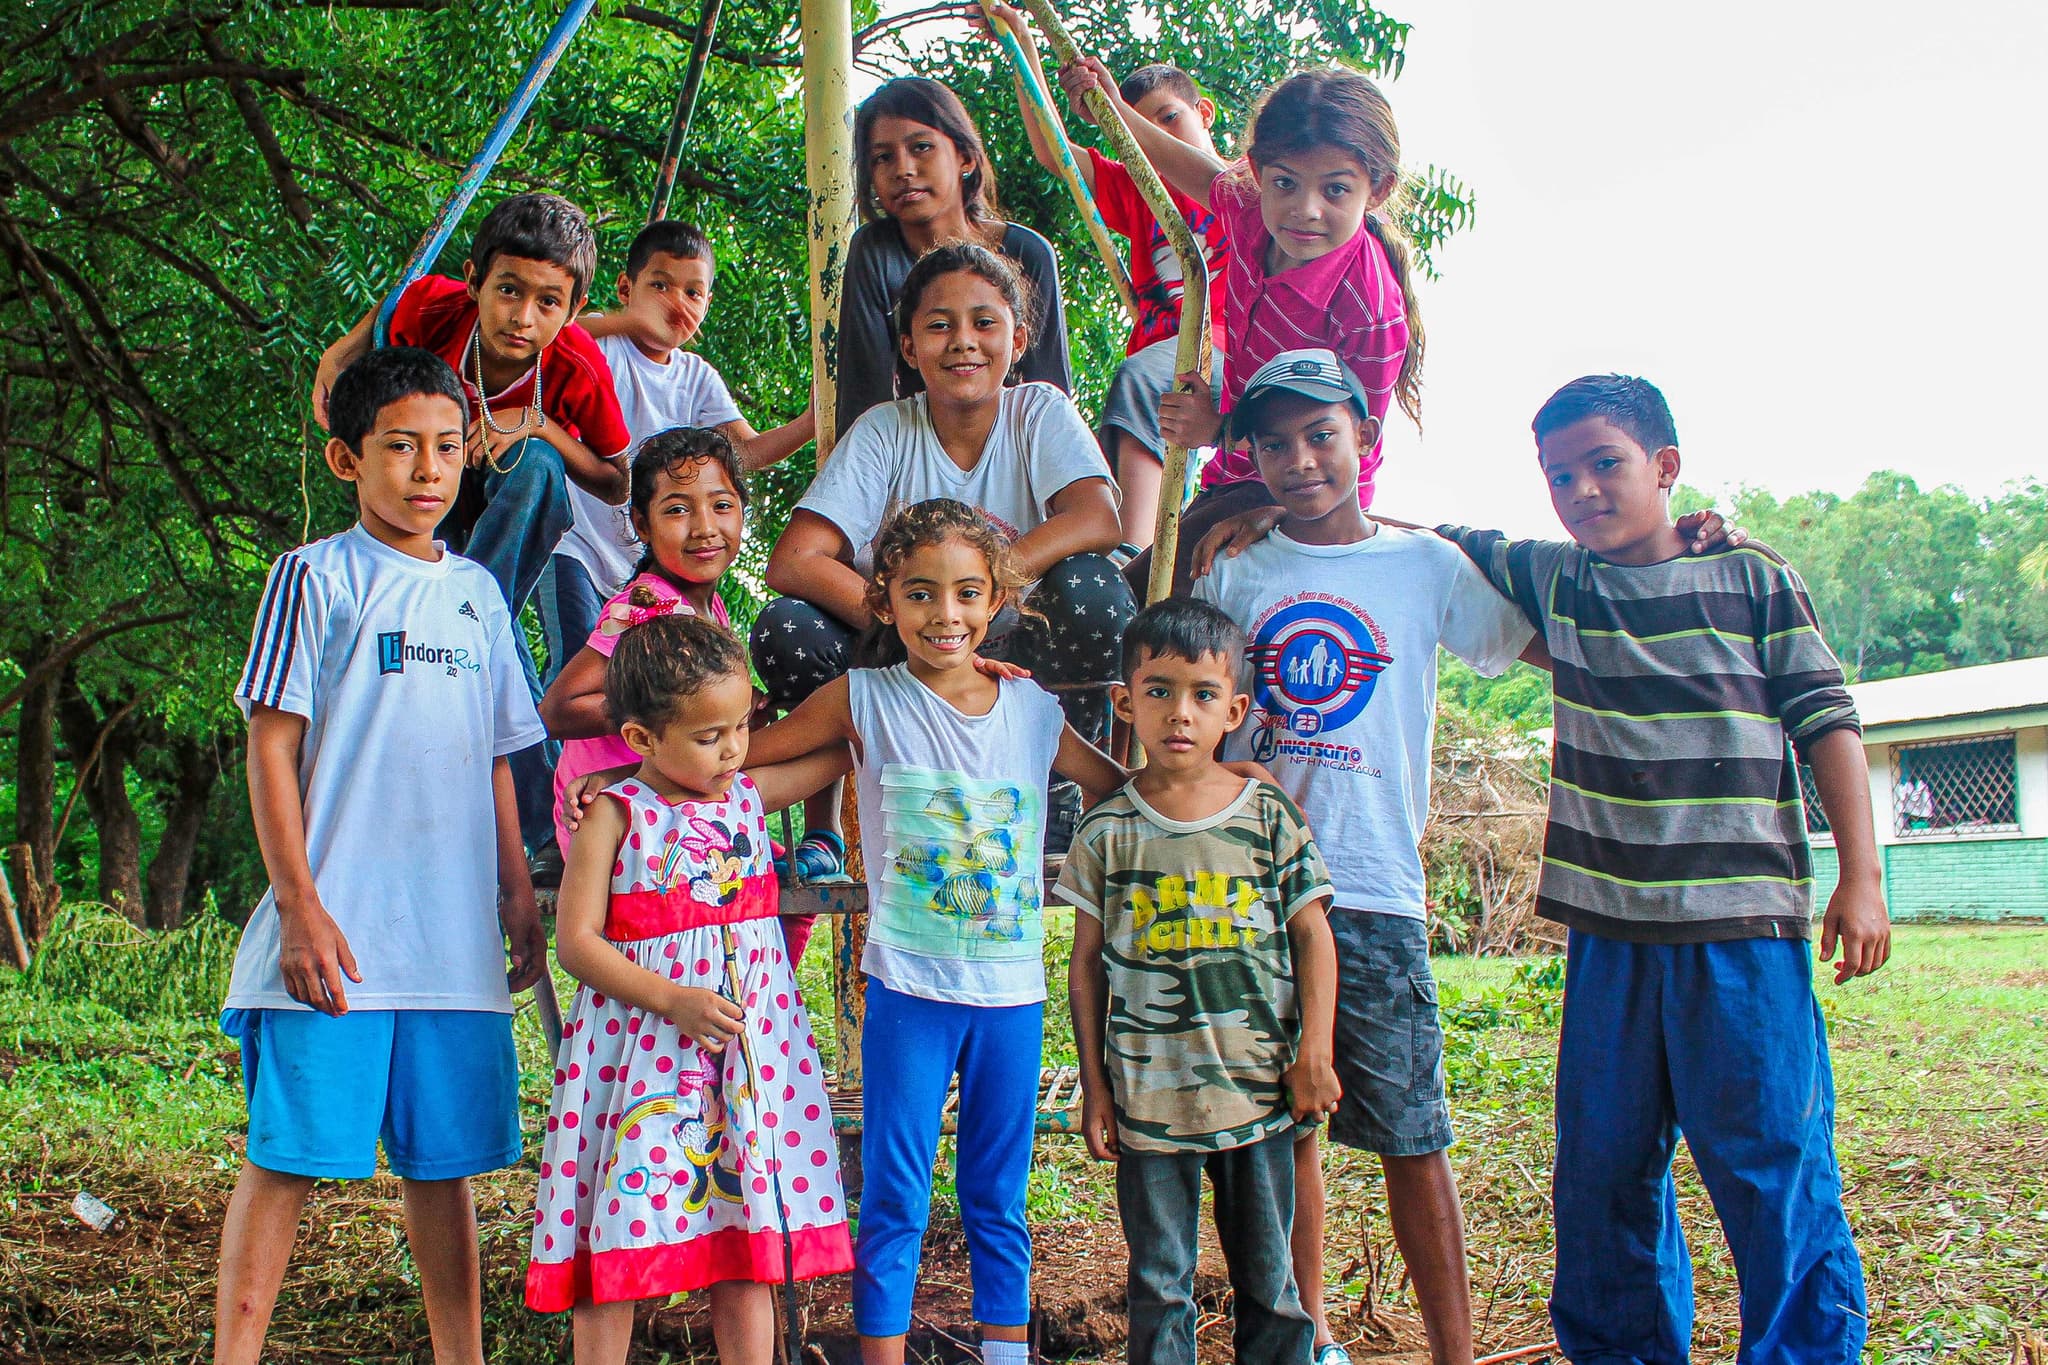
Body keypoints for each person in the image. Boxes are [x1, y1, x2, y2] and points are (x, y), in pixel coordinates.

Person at [1434, 373, 1892, 1362]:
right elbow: (1415, 536)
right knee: (1600, 1172)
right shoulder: (1560, 581)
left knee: (1770, 1163)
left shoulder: (1749, 578)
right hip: (1608, 941)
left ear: (1665, 467)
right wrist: (1256, 489)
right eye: (1558, 475)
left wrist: (1861, 875)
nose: (1582, 490)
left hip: (1740, 939)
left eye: (1605, 464)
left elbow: (1826, 723)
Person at [1192, 350, 1542, 1365]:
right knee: (1282, 1131)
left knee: (1408, 1133)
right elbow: (1184, 697)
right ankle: (1305, 1336)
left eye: (1320, 436)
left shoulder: (1425, 566)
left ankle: (1452, 1350)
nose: (1298, 460)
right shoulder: (1237, 573)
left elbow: (1538, 642)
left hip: (1374, 891)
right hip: (1251, 892)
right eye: (1274, 442)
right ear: (1251, 455)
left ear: (1364, 440)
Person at [215, 347, 547, 1365]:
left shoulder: (480, 597)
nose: (427, 471)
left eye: (447, 448)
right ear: (346, 458)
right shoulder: (312, 577)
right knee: (287, 1159)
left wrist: (516, 893)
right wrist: (301, 907)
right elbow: (269, 747)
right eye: (400, 447)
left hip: (449, 949)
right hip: (334, 941)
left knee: (442, 1172)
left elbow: (497, 758)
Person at [744, 499, 1128, 1365]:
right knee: (894, 1197)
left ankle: (1003, 1355)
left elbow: (1114, 786)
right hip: (909, 996)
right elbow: (747, 759)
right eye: (920, 594)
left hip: (1011, 1000)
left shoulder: (1033, 712)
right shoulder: (863, 698)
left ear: (997, 598)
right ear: (884, 600)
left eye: (965, 594)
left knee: (997, 1196)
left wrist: (1217, 789)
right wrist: (633, 779)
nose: (944, 615)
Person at [524, 613, 855, 1364]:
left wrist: (927, 682)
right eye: (710, 736)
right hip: (643, 1062)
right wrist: (671, 999)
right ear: (641, 739)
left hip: (744, 1062)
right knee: (623, 1227)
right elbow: (576, 943)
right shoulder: (617, 813)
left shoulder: (745, 796)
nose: (735, 748)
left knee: (744, 1244)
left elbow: (845, 743)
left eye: (740, 726)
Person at [752, 243, 1134, 854]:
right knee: (788, 628)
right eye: (938, 325)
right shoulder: (885, 428)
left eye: (985, 322)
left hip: (1016, 640)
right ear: (909, 347)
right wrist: (913, 621)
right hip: (903, 646)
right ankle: (825, 829)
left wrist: (982, 593)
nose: (963, 341)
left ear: (1019, 336)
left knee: (1094, 593)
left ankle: (1064, 785)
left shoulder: (1037, 411)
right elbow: (794, 559)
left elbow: (1097, 517)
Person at [1053, 597, 1341, 1365]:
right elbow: (1086, 963)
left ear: (1235, 710)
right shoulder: (1107, 828)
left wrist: (1316, 1051)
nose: (1180, 713)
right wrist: (1096, 1084)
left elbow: (1313, 933)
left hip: (1260, 1093)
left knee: (1271, 1284)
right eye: (1158, 690)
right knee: (1159, 1286)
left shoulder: (1269, 815)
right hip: (1150, 1104)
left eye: (1203, 694)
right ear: (1125, 701)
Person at [310, 190, 632, 856]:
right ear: (474, 281)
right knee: (496, 629)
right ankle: (539, 828)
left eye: (549, 302)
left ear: (574, 311)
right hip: (430, 502)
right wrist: (340, 352)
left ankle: (466, 617)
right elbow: (391, 308)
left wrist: (539, 424)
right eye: (508, 291)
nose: (522, 317)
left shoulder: (574, 363)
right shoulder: (436, 310)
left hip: (508, 513)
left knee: (540, 466)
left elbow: (615, 477)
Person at [1058, 64, 1422, 596]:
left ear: (1378, 189)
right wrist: (1109, 106)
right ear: (1255, 172)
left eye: (1336, 190)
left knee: (1119, 614)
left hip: (1299, 502)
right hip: (1231, 480)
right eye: (1285, 183)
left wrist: (1248, 466)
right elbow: (1178, 164)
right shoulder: (1249, 210)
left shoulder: (1367, 308)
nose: (1305, 210)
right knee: (1118, 605)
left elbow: (1349, 453)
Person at [975, 7, 1231, 549]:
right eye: (1138, 130)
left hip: (1225, 351)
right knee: (1119, 445)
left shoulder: (1243, 186)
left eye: (1169, 119)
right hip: (1166, 372)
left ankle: (1132, 554)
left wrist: (1112, 106)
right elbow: (1055, 152)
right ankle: (1155, 545)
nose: (1155, 139)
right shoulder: (1144, 192)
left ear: (1203, 113)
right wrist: (1022, 44)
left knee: (1141, 380)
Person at [835, 76, 1073, 439]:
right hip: (912, 455)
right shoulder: (874, 252)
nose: (903, 170)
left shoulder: (1028, 253)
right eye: (884, 158)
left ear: (964, 156)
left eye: (921, 147)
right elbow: (863, 400)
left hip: (1013, 452)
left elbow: (1051, 397)